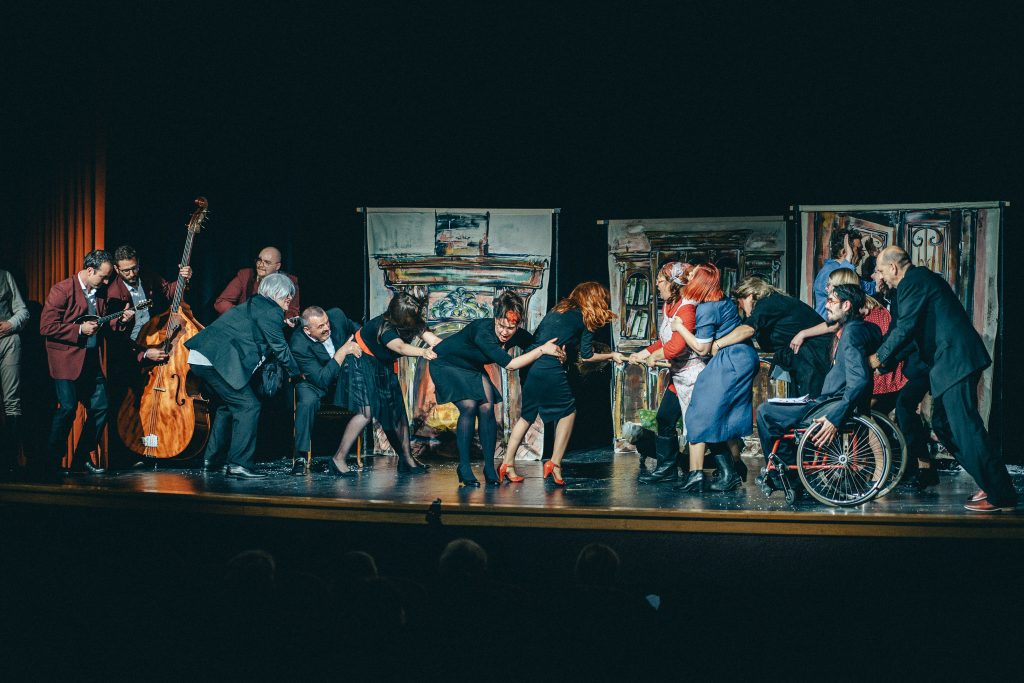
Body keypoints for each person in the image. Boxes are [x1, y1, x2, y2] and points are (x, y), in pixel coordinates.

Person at [869, 246, 1016, 512]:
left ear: (893, 267)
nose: (880, 276)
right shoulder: (915, 283)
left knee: (965, 428)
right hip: (949, 363)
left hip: (955, 361)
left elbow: (905, 328)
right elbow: (908, 333)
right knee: (943, 425)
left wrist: (878, 359)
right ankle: (990, 481)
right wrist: (885, 363)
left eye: (880, 270)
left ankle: (1001, 494)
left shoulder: (914, 281)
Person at [39, 250, 166, 477]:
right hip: (65, 361)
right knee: (67, 409)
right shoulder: (63, 290)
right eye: (104, 277)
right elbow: (46, 326)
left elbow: (106, 326)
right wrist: (79, 330)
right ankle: (50, 463)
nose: (107, 282)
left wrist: (122, 320)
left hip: (90, 359)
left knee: (102, 407)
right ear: (90, 270)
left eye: (109, 278)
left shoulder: (101, 293)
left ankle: (81, 460)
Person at [430, 291, 564, 487]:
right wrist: (543, 350)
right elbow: (511, 364)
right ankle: (464, 467)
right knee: (469, 406)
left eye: (511, 327)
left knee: (486, 407)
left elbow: (535, 345)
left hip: (471, 366)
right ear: (495, 319)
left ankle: (489, 468)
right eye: (501, 325)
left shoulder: (515, 334)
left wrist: (558, 351)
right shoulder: (482, 333)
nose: (505, 332)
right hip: (447, 363)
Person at [499, 282, 625, 486]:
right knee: (568, 412)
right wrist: (611, 355)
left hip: (530, 363)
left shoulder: (558, 310)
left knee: (527, 416)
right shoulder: (586, 318)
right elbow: (587, 356)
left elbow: (546, 339)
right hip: (548, 365)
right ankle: (555, 463)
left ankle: (507, 463)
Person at [755, 284, 881, 488]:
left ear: (846, 305)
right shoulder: (860, 329)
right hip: (828, 400)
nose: (826, 305)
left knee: (765, 412)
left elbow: (859, 380)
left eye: (831, 301)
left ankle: (788, 477)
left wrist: (835, 417)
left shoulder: (851, 333)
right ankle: (789, 473)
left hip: (831, 405)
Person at [184, 272, 302, 479]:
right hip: (215, 361)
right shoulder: (271, 311)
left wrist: (283, 324)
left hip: (202, 357)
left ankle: (212, 460)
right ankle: (239, 464)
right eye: (286, 295)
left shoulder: (257, 304)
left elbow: (257, 327)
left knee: (227, 406)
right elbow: (280, 348)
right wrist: (298, 374)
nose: (290, 299)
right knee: (248, 406)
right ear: (275, 293)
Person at [330, 291, 441, 477]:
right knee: (366, 412)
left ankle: (406, 460)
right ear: (400, 318)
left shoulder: (413, 321)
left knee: (396, 413)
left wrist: (455, 349)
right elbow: (400, 347)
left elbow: (435, 341)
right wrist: (423, 352)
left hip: (381, 365)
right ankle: (338, 459)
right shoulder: (384, 328)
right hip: (360, 361)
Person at [671, 264, 760, 493]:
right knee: (719, 415)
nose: (688, 278)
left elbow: (702, 348)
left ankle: (700, 475)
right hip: (739, 357)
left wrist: (679, 327)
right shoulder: (723, 301)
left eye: (692, 276)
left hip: (731, 360)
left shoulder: (707, 308)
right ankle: (732, 467)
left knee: (701, 412)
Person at [628, 262, 702, 484]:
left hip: (693, 376)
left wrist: (655, 357)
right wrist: (643, 353)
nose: (657, 285)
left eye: (660, 280)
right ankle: (667, 469)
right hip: (678, 376)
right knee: (665, 418)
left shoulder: (686, 308)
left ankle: (730, 467)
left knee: (700, 426)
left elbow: (677, 346)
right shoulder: (668, 306)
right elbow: (664, 340)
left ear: (673, 283)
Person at [791, 267, 906, 409]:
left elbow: (833, 326)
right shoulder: (854, 306)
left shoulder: (863, 310)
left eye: (830, 284)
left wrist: (803, 334)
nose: (827, 288)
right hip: (869, 369)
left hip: (879, 372)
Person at [717, 275, 832, 399]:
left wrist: (717, 344)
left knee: (810, 403)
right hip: (805, 356)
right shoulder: (771, 301)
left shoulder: (766, 303)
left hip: (814, 354)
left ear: (749, 296)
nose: (739, 307)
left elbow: (748, 330)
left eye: (739, 301)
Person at [288, 306, 363, 475]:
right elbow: (322, 379)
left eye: (326, 323)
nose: (327, 328)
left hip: (341, 378)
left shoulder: (337, 316)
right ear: (307, 330)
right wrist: (343, 351)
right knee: (307, 402)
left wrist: (359, 345)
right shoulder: (299, 344)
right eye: (320, 326)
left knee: (366, 394)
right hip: (314, 382)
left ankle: (346, 453)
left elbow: (360, 331)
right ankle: (300, 457)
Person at [107, 244, 193, 342]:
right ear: (116, 269)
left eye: (134, 268)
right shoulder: (113, 293)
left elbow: (168, 291)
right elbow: (112, 330)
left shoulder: (147, 276)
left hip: (155, 335)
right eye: (126, 271)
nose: (132, 274)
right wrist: (122, 321)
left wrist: (183, 278)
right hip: (132, 344)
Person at [215, 246, 301, 320]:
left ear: (277, 266)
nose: (260, 265)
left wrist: (289, 319)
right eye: (259, 260)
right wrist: (243, 314)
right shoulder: (245, 276)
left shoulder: (289, 282)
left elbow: (293, 310)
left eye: (267, 262)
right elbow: (221, 302)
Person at [0, 267, 29, 477]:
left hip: (8, 342)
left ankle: (11, 461)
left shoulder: (5, 276)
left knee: (12, 402)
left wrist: (11, 324)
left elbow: (23, 311)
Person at [812, 228, 874, 319]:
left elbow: (869, 288)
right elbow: (844, 289)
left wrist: (874, 255)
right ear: (844, 252)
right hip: (828, 326)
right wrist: (849, 258)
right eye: (858, 249)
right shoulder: (828, 272)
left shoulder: (846, 269)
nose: (863, 254)